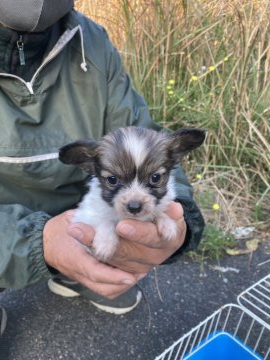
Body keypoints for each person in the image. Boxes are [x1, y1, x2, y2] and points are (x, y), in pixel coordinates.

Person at [0, 0, 205, 334]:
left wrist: (182, 221)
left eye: (152, 179)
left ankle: (78, 268)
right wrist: (39, 243)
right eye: (114, 179)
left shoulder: (92, 42)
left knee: (113, 258)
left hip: (76, 220)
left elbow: (146, 139)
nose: (136, 198)